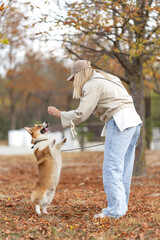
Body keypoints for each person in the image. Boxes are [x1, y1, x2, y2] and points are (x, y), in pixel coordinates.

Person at [48, 60, 142, 219]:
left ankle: (114, 212)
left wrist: (60, 114)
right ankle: (120, 207)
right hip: (134, 122)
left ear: (79, 75)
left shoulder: (91, 85)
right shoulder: (109, 78)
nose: (74, 83)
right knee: (124, 169)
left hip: (119, 122)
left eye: (73, 79)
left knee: (111, 168)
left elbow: (81, 114)